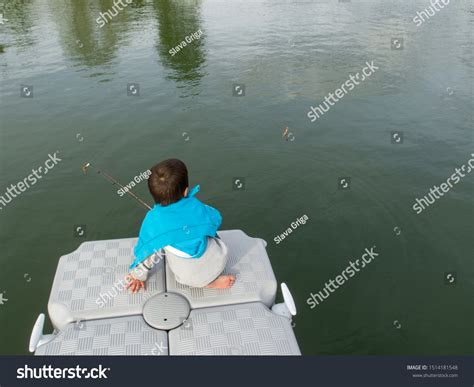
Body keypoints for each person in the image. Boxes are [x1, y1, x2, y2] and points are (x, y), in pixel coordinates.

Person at [126, 159, 235, 292]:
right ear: (186, 191)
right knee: (206, 230)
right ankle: (210, 281)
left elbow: (147, 252)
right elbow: (216, 219)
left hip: (188, 278)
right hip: (219, 261)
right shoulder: (196, 206)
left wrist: (137, 276)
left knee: (156, 241)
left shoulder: (152, 220)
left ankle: (207, 284)